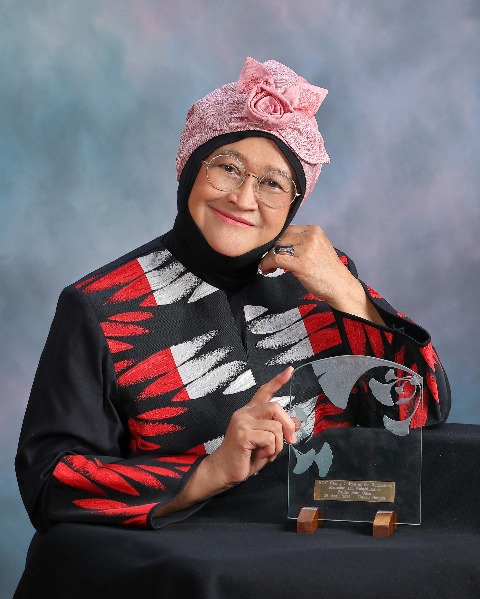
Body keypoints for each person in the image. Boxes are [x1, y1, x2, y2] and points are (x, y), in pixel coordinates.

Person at [16, 57, 450, 533]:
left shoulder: (323, 280)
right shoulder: (100, 307)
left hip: (332, 545)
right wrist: (210, 472)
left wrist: (351, 294)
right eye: (227, 167)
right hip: (195, 559)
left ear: (294, 204)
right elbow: (49, 482)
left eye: (273, 183)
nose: (243, 199)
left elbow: (420, 412)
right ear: (188, 169)